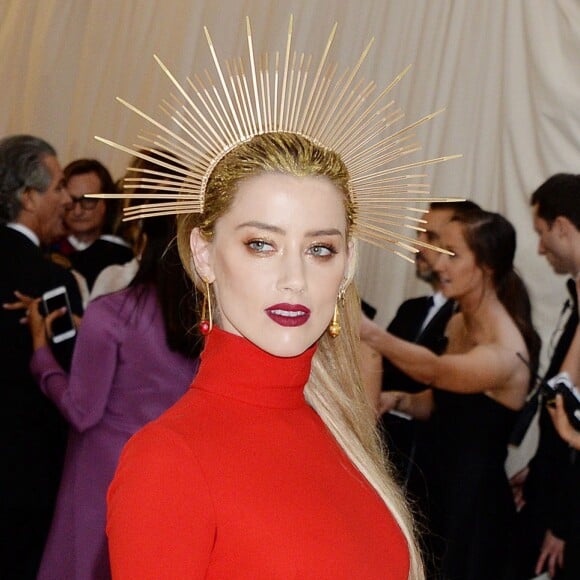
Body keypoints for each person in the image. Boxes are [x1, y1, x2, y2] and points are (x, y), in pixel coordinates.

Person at [361, 209, 541, 580]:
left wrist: (371, 333)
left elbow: (436, 371)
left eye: (453, 255)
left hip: (473, 509)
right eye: (439, 250)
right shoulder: (458, 321)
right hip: (437, 485)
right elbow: (447, 400)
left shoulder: (506, 351)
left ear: (487, 267)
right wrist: (401, 400)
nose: (439, 263)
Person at [26, 213, 202, 579]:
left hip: (101, 471)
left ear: (140, 242)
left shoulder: (111, 311)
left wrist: (43, 358)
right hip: (167, 472)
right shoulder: (203, 321)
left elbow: (82, 411)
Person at [0, 135, 82, 579]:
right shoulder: (48, 279)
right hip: (27, 470)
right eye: (59, 188)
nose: (68, 199)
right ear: (28, 197)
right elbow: (71, 378)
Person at [515, 173, 580, 580]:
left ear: (563, 226)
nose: (539, 247)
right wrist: (539, 471)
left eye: (542, 233)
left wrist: (566, 523)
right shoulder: (574, 299)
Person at [52, 159, 133, 290]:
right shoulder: (46, 249)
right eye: (71, 200)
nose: (78, 211)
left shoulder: (123, 256)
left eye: (88, 200)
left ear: (107, 202)